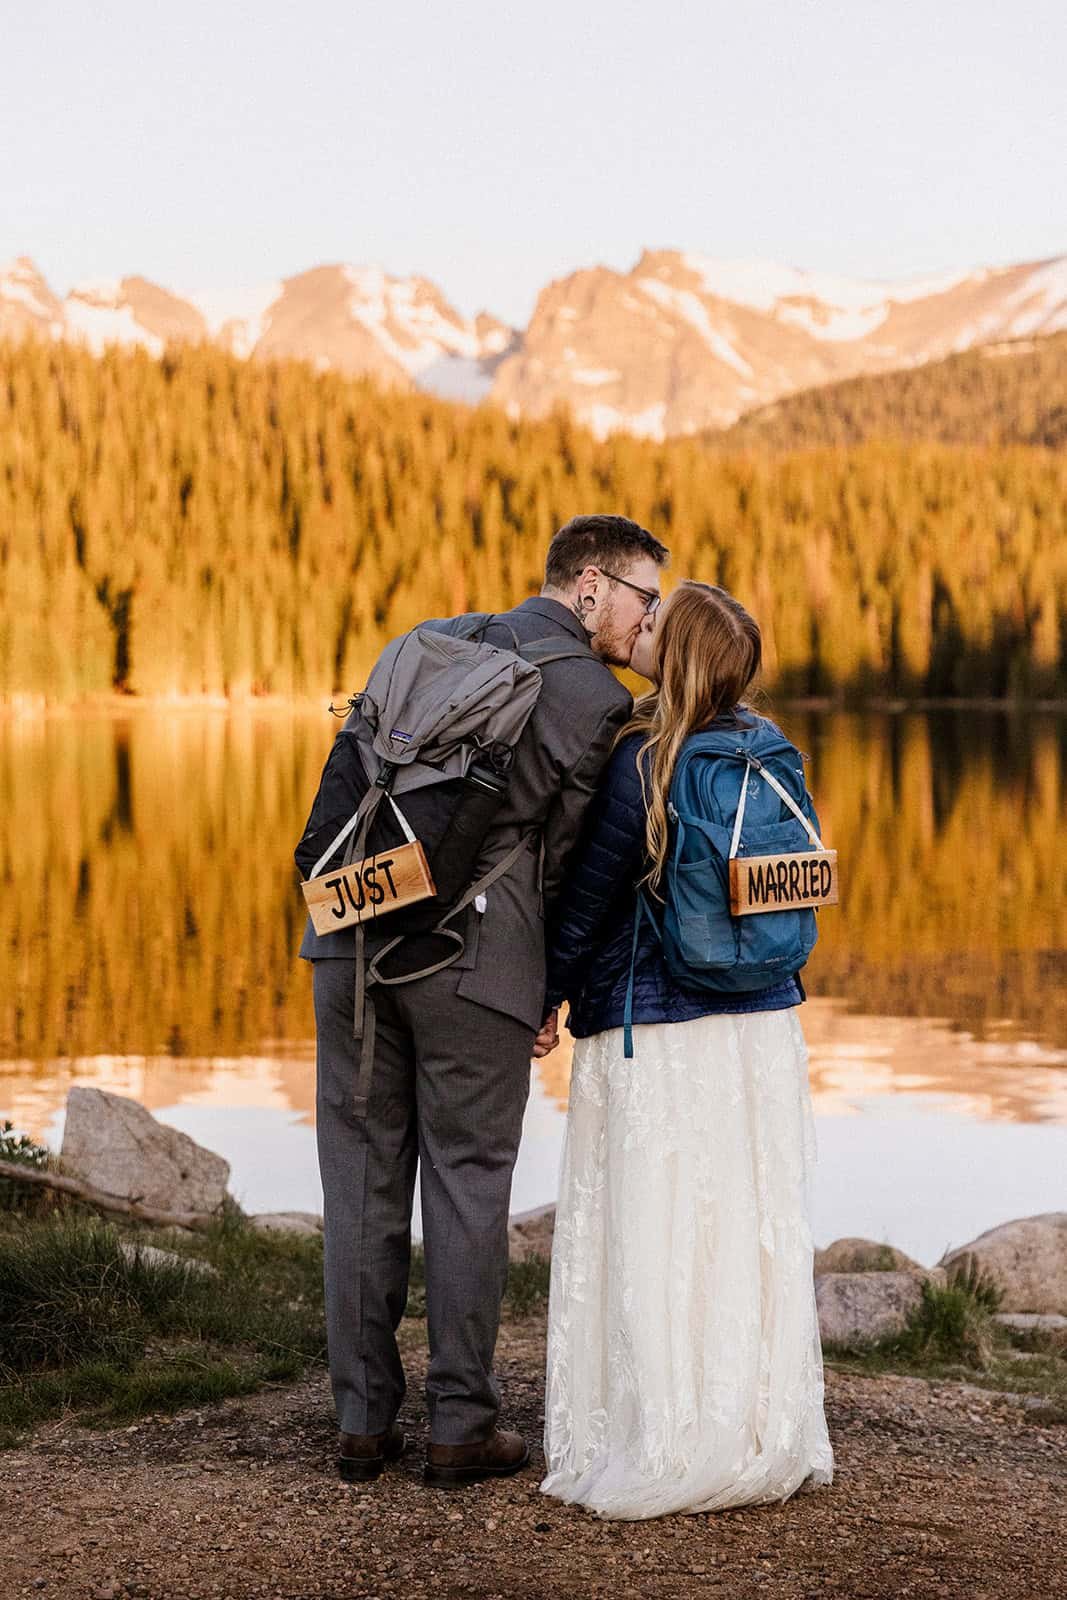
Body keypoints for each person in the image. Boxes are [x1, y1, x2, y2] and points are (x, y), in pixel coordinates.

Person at [301, 514, 670, 1487]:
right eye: (644, 597)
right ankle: (459, 1423)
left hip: (346, 932)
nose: (649, 619)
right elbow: (570, 866)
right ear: (588, 586)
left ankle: (360, 1421)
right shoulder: (596, 700)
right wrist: (546, 987)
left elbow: (351, 783)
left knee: (360, 1180)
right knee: (466, 1181)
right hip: (473, 956)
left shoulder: (428, 639)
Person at [537, 580, 834, 1520]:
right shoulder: (771, 750)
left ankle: (661, 1431)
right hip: (759, 1027)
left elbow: (587, 900)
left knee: (658, 1222)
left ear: (680, 656)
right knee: (739, 1225)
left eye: (657, 624)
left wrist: (547, 990)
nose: (642, 626)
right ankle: (751, 1425)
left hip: (659, 1030)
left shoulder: (645, 762)